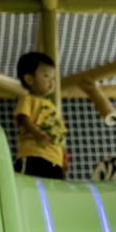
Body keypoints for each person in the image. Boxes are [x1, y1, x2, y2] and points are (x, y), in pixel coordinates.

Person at [14, 51, 68, 179]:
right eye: (46, 76)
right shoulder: (28, 99)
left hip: (55, 159)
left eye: (53, 78)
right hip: (34, 155)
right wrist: (36, 132)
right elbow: (23, 119)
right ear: (29, 79)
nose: (51, 82)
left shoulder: (52, 106)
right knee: (31, 184)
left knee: (55, 190)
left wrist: (64, 155)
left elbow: (59, 133)